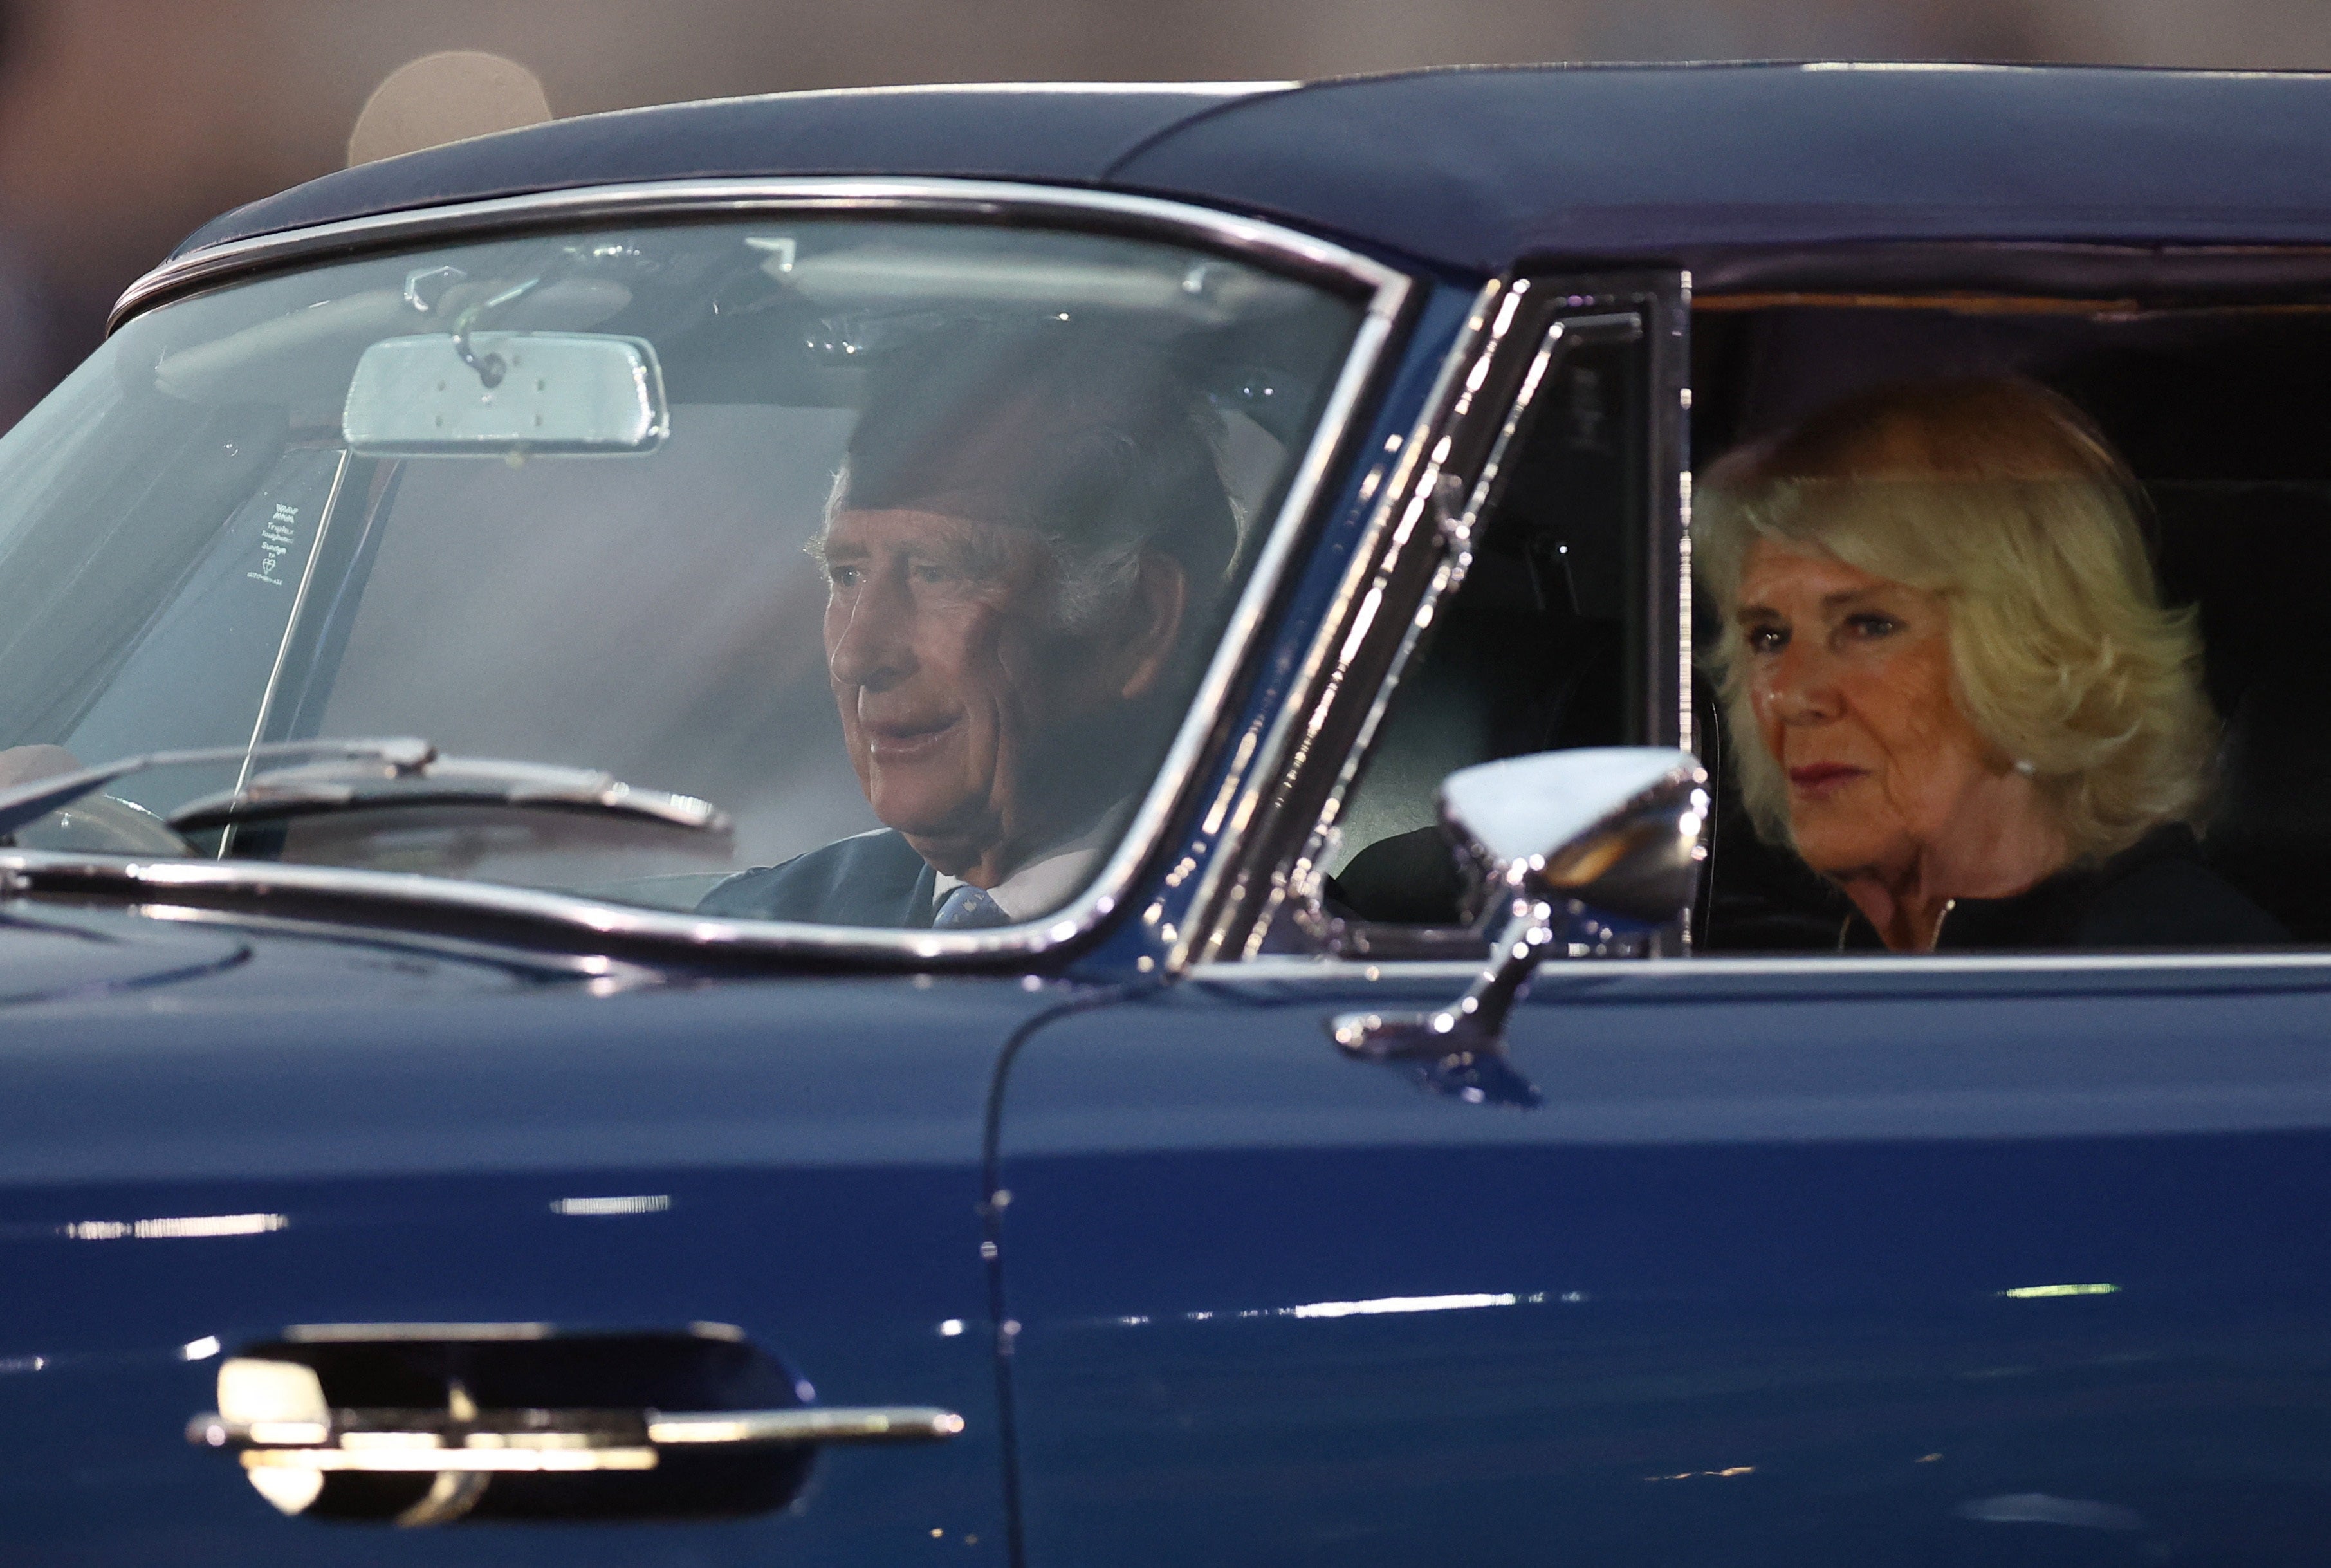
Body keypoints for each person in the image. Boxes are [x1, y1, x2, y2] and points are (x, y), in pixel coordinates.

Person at [1693, 376, 2282, 952]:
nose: (1790, 695)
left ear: (2041, 650)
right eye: (1769, 636)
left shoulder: (2177, 976)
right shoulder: (1780, 970)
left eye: (1867, 625)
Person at [698, 327, 1240, 928]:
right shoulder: (758, 930)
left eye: (936, 573)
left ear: (1138, 621)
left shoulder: (1269, 969)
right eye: (847, 575)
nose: (856, 655)